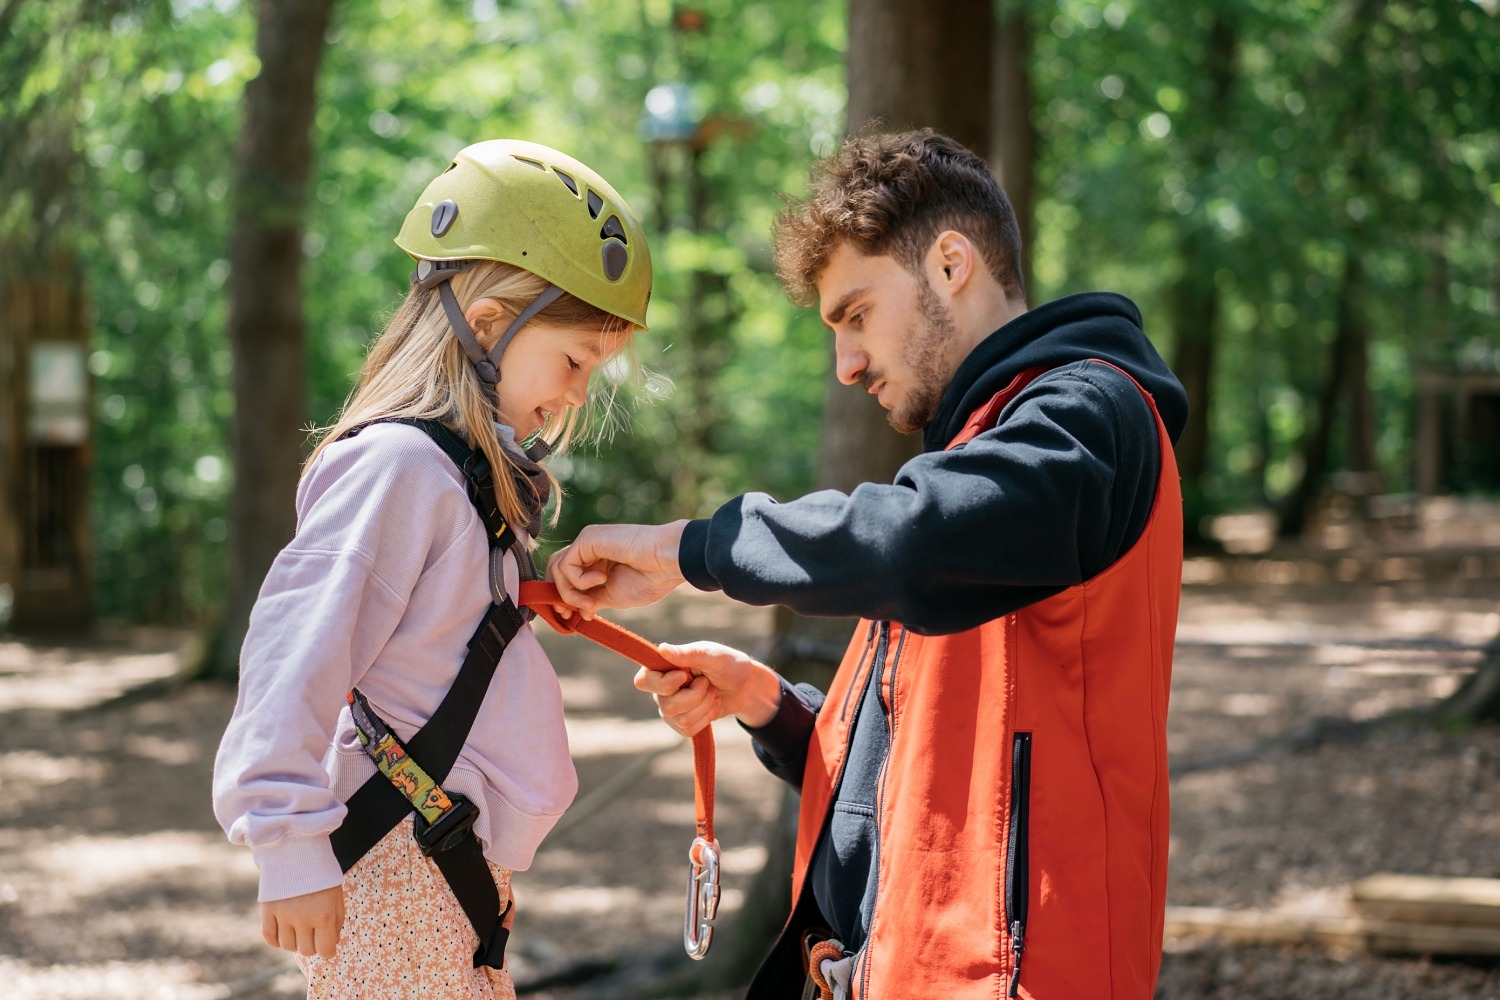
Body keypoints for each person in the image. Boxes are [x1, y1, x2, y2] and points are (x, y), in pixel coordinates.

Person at [547, 129, 1188, 999]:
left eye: (856, 315)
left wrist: (687, 548)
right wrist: (769, 708)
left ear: (951, 264)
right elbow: (918, 763)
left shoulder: (1090, 414)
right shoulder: (970, 457)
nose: (846, 364)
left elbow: (912, 547)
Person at [212, 139, 652, 999]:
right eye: (573, 361)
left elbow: (429, 634)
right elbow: (294, 650)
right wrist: (287, 839)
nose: (575, 396)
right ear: (488, 322)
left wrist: (529, 593)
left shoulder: (457, 478)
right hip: (398, 866)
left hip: (442, 858)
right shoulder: (397, 469)